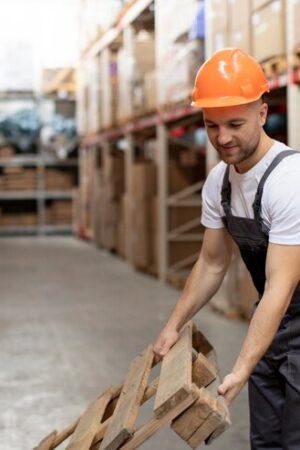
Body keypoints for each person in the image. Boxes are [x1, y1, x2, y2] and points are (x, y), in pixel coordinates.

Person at [153, 48, 300, 450]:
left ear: (262, 113)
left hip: (283, 304)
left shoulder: (289, 181)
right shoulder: (219, 182)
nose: (222, 138)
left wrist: (242, 366)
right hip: (275, 323)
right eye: (211, 125)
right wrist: (173, 324)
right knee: (266, 441)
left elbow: (280, 285)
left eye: (235, 123)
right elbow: (212, 262)